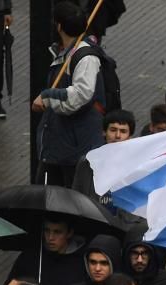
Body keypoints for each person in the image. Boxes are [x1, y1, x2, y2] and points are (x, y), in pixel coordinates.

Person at [33, 2, 106, 186]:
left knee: (69, 203)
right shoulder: (64, 53)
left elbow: (80, 95)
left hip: (75, 151)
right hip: (59, 148)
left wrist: (47, 96)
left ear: (59, 26)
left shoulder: (85, 57)